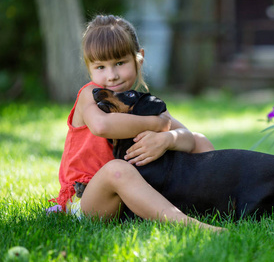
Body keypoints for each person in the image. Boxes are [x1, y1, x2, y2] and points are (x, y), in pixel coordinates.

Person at [50, 15, 221, 231]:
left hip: (133, 194)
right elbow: (102, 126)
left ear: (138, 58)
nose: (111, 76)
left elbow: (186, 136)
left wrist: (166, 139)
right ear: (89, 67)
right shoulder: (90, 95)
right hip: (89, 198)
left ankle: (219, 204)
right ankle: (188, 224)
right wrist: (157, 124)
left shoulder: (141, 101)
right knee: (116, 170)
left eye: (120, 63)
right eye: (100, 67)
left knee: (200, 141)